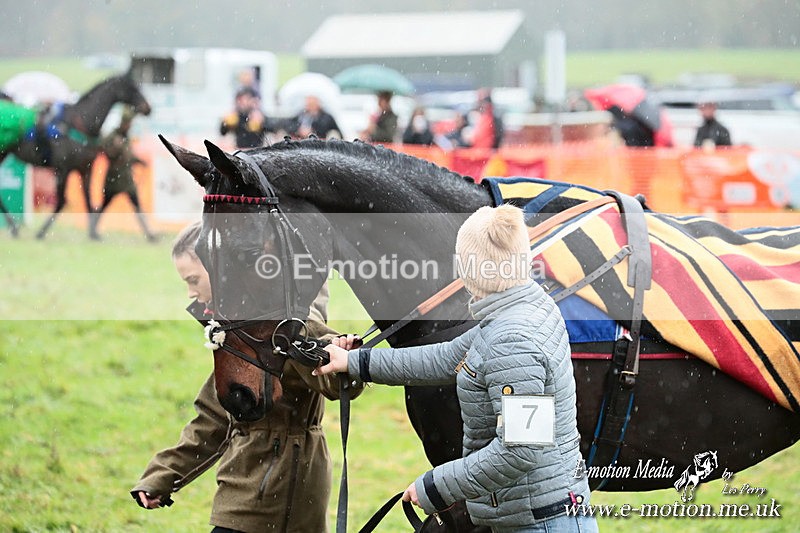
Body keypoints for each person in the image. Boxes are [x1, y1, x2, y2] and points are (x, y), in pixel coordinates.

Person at [316, 205, 597, 532]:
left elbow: (521, 452)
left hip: (539, 522)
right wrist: (354, 362)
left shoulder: (512, 342)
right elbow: (444, 358)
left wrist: (435, 486)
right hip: (531, 515)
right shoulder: (522, 309)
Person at [132, 222, 360, 533]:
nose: (190, 292)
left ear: (221, 268)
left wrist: (345, 359)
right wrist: (162, 475)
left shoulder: (284, 325)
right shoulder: (241, 330)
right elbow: (214, 417)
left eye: (193, 280)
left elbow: (340, 381)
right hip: (242, 481)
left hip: (282, 487)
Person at [91, 105, 157, 242]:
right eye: (128, 123)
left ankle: (149, 234)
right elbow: (103, 149)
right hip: (113, 180)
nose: (129, 126)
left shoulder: (126, 137)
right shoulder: (112, 136)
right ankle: (92, 230)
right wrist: (114, 148)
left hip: (126, 179)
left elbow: (128, 156)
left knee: (137, 206)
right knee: (103, 206)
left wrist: (139, 161)